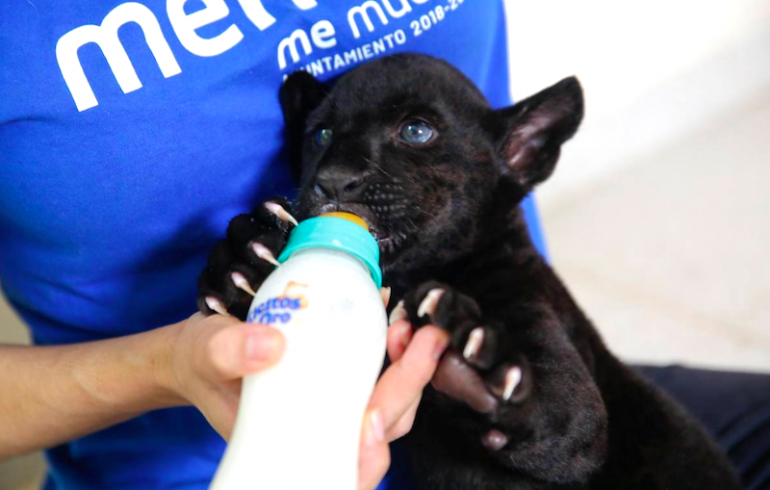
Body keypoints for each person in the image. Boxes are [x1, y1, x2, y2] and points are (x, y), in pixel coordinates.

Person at [1, 1, 767, 489]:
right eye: (322, 139)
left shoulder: (489, 282)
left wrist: (499, 376)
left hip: (575, 406)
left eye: (417, 131)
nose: (334, 171)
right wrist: (172, 361)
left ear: (521, 153)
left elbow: (569, 445)